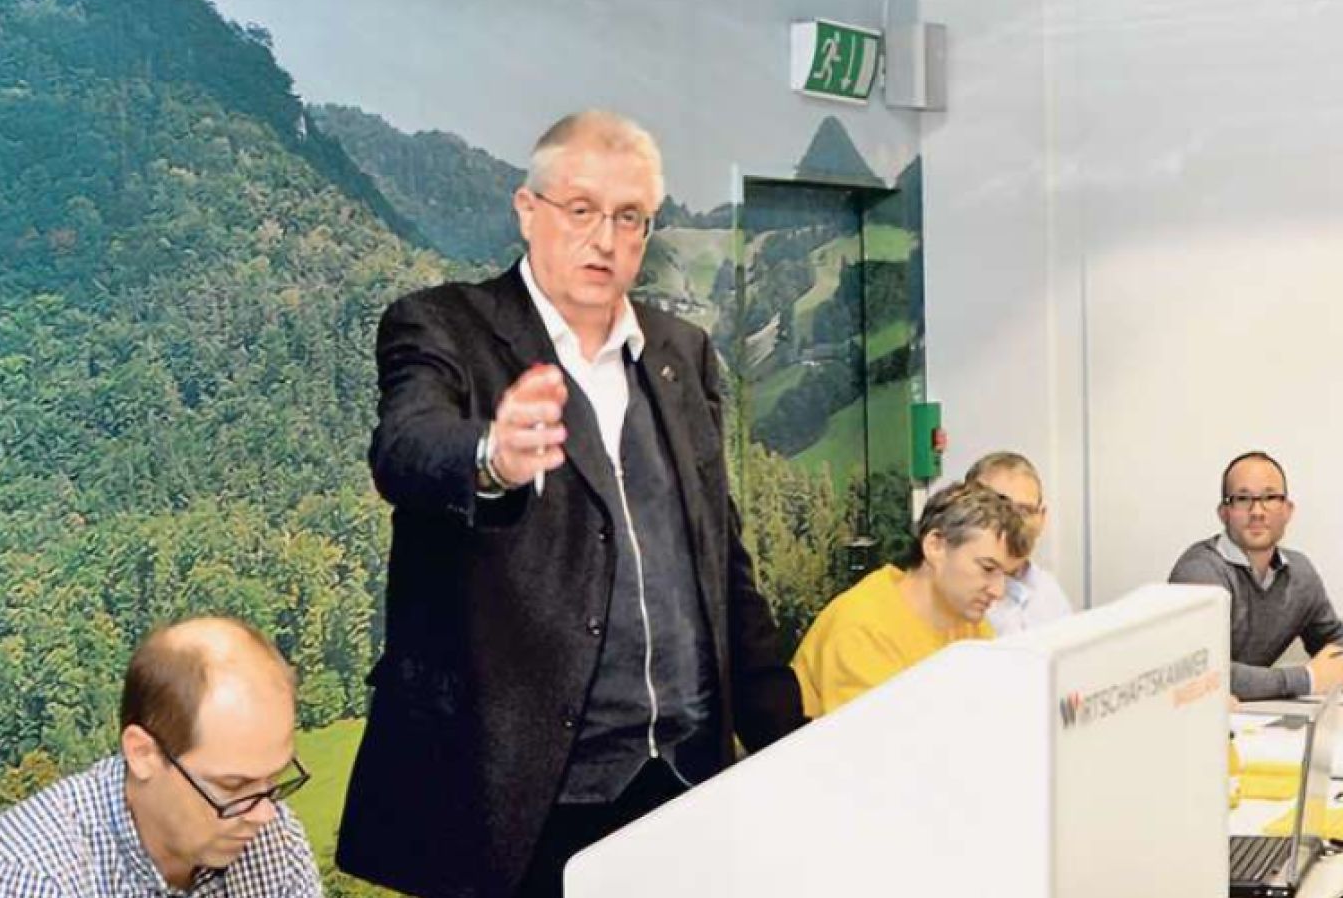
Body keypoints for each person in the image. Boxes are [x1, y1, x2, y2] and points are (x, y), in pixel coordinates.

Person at [337, 110, 803, 898]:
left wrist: (786, 740)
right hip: (524, 799)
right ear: (528, 210)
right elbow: (406, 449)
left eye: (629, 217)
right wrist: (491, 455)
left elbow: (719, 561)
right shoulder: (442, 326)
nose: (605, 239)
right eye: (581, 209)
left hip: (684, 780)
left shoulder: (682, 353)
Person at [0, 618, 321, 898]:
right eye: (233, 785)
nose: (264, 814)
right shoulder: (30, 878)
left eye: (274, 778)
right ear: (143, 754)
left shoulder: (273, 837)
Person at [792, 481, 1032, 718]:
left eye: (1005, 575)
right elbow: (878, 739)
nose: (998, 591)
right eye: (987, 568)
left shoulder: (967, 618)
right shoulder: (861, 630)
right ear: (935, 546)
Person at [1169, 452, 1343, 701]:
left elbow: (1336, 639)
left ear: (1288, 511)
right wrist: (1308, 678)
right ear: (1224, 513)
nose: (1257, 511)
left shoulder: (1299, 572)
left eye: (1270, 497)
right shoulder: (1200, 572)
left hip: (1253, 717)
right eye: (1243, 499)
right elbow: (1203, 673)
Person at [965, 451, 1075, 635]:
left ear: (1041, 518)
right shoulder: (958, 595)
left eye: (1024, 511)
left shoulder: (1049, 591)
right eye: (1000, 508)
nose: (1013, 522)